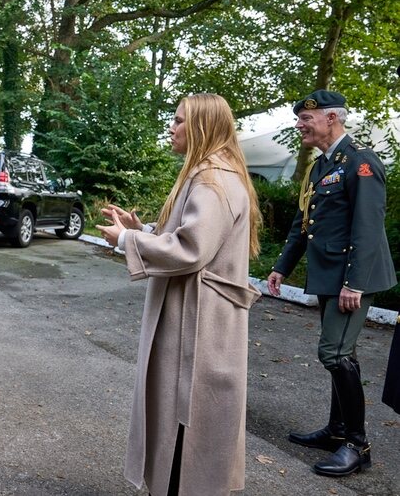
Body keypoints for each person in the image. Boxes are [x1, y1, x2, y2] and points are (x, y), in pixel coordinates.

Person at [97, 93, 262, 495]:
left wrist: (127, 240)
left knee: (186, 421)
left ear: (202, 126)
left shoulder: (212, 178)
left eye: (179, 120)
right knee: (186, 419)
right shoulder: (212, 173)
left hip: (199, 324)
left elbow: (192, 249)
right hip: (198, 316)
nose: (171, 127)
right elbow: (191, 238)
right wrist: (147, 231)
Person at [267, 90, 396, 477]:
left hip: (353, 278)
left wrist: (354, 284)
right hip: (329, 277)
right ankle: (338, 430)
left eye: (307, 119)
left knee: (334, 354)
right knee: (343, 353)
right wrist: (282, 268)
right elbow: (302, 222)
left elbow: (369, 227)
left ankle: (358, 446)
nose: (300, 124)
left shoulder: (360, 162)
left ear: (332, 119)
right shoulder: (323, 166)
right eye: (300, 119)